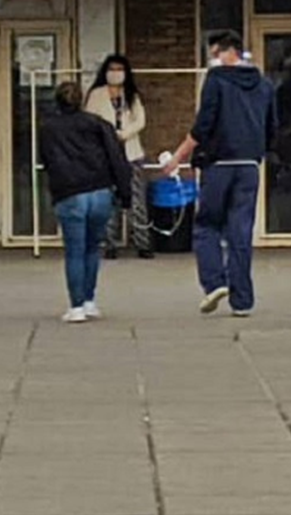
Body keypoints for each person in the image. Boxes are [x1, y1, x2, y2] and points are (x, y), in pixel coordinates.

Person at [162, 30, 277, 317]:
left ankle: (214, 282)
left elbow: (203, 125)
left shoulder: (217, 80)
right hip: (249, 165)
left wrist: (178, 157)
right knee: (241, 231)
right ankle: (243, 300)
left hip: (219, 164)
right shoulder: (264, 84)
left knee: (206, 226)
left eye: (215, 54)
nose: (212, 60)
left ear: (228, 52)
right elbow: (272, 126)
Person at [39, 81, 133, 324]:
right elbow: (117, 158)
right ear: (81, 100)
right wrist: (125, 194)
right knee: (93, 248)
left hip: (69, 193)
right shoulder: (99, 124)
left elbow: (47, 160)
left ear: (57, 101)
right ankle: (90, 301)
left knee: (75, 251)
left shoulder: (48, 128)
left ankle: (76, 306)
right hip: (100, 191)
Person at [84, 54, 153, 260]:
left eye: (119, 69)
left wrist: (124, 134)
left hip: (131, 152)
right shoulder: (96, 95)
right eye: (112, 69)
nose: (115, 73)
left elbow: (141, 120)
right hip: (105, 155)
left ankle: (142, 242)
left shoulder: (131, 94)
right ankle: (109, 244)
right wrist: (108, 135)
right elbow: (90, 120)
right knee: (107, 201)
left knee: (137, 201)